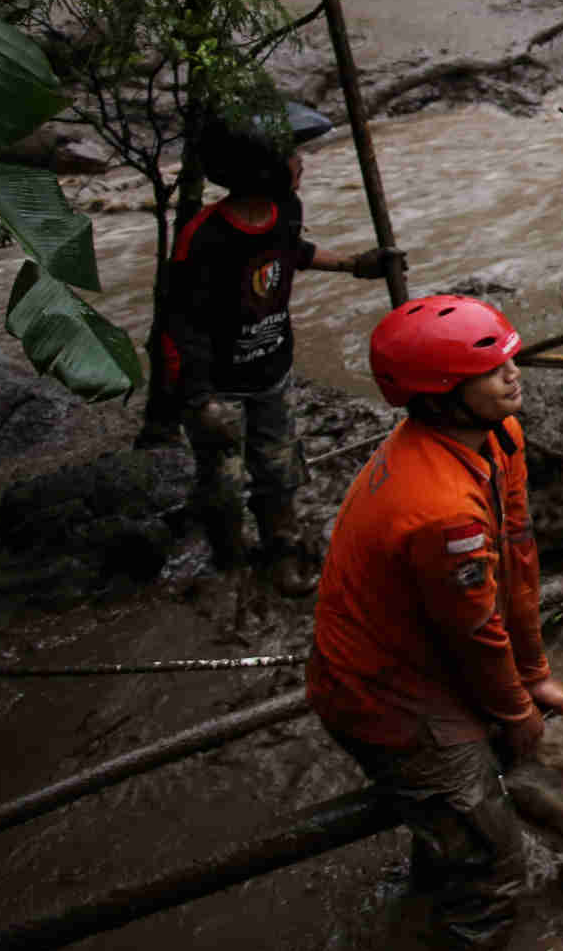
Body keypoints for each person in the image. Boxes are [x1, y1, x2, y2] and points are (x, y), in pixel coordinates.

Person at [309, 295, 563, 951]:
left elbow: (518, 557)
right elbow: (473, 633)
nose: (513, 375)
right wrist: (516, 711)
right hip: (385, 691)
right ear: (441, 394)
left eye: (509, 359)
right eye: (491, 370)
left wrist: (535, 671)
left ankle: (435, 864)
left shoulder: (499, 437)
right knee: (495, 865)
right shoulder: (440, 508)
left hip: (425, 655)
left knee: (465, 814)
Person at [163, 98, 400, 593]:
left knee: (279, 464)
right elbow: (182, 323)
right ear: (261, 168)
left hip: (271, 368)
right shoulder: (204, 237)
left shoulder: (285, 210)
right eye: (291, 155)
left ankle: (282, 549)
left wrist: (353, 265)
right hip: (218, 383)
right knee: (223, 477)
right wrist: (200, 399)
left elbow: (292, 252)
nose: (300, 163)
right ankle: (230, 560)